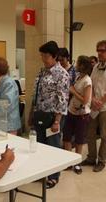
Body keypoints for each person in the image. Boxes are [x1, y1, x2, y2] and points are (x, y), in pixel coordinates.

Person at [28, 41, 69, 188]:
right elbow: (36, 94)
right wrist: (31, 114)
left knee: (53, 147)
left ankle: (54, 176)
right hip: (40, 114)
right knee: (39, 145)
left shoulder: (62, 74)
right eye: (42, 55)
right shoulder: (42, 71)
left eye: (46, 56)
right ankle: (41, 172)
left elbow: (62, 98)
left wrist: (57, 121)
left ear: (54, 56)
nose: (43, 58)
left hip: (53, 117)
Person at [81, 40, 106, 172]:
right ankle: (91, 157)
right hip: (94, 105)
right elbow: (90, 84)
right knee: (90, 133)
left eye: (102, 50)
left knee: (104, 135)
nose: (99, 53)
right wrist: (93, 99)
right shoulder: (96, 66)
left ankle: (102, 161)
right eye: (98, 50)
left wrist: (101, 101)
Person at [62, 56, 92, 174]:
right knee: (67, 136)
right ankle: (69, 162)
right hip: (71, 110)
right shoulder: (79, 77)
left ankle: (77, 163)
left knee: (79, 139)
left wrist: (73, 91)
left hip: (82, 113)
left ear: (83, 65)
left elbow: (85, 100)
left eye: (78, 63)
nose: (75, 65)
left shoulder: (87, 80)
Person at [0, 56, 21, 135]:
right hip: (1, 123)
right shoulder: (0, 82)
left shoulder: (8, 83)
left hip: (8, 125)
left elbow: (7, 105)